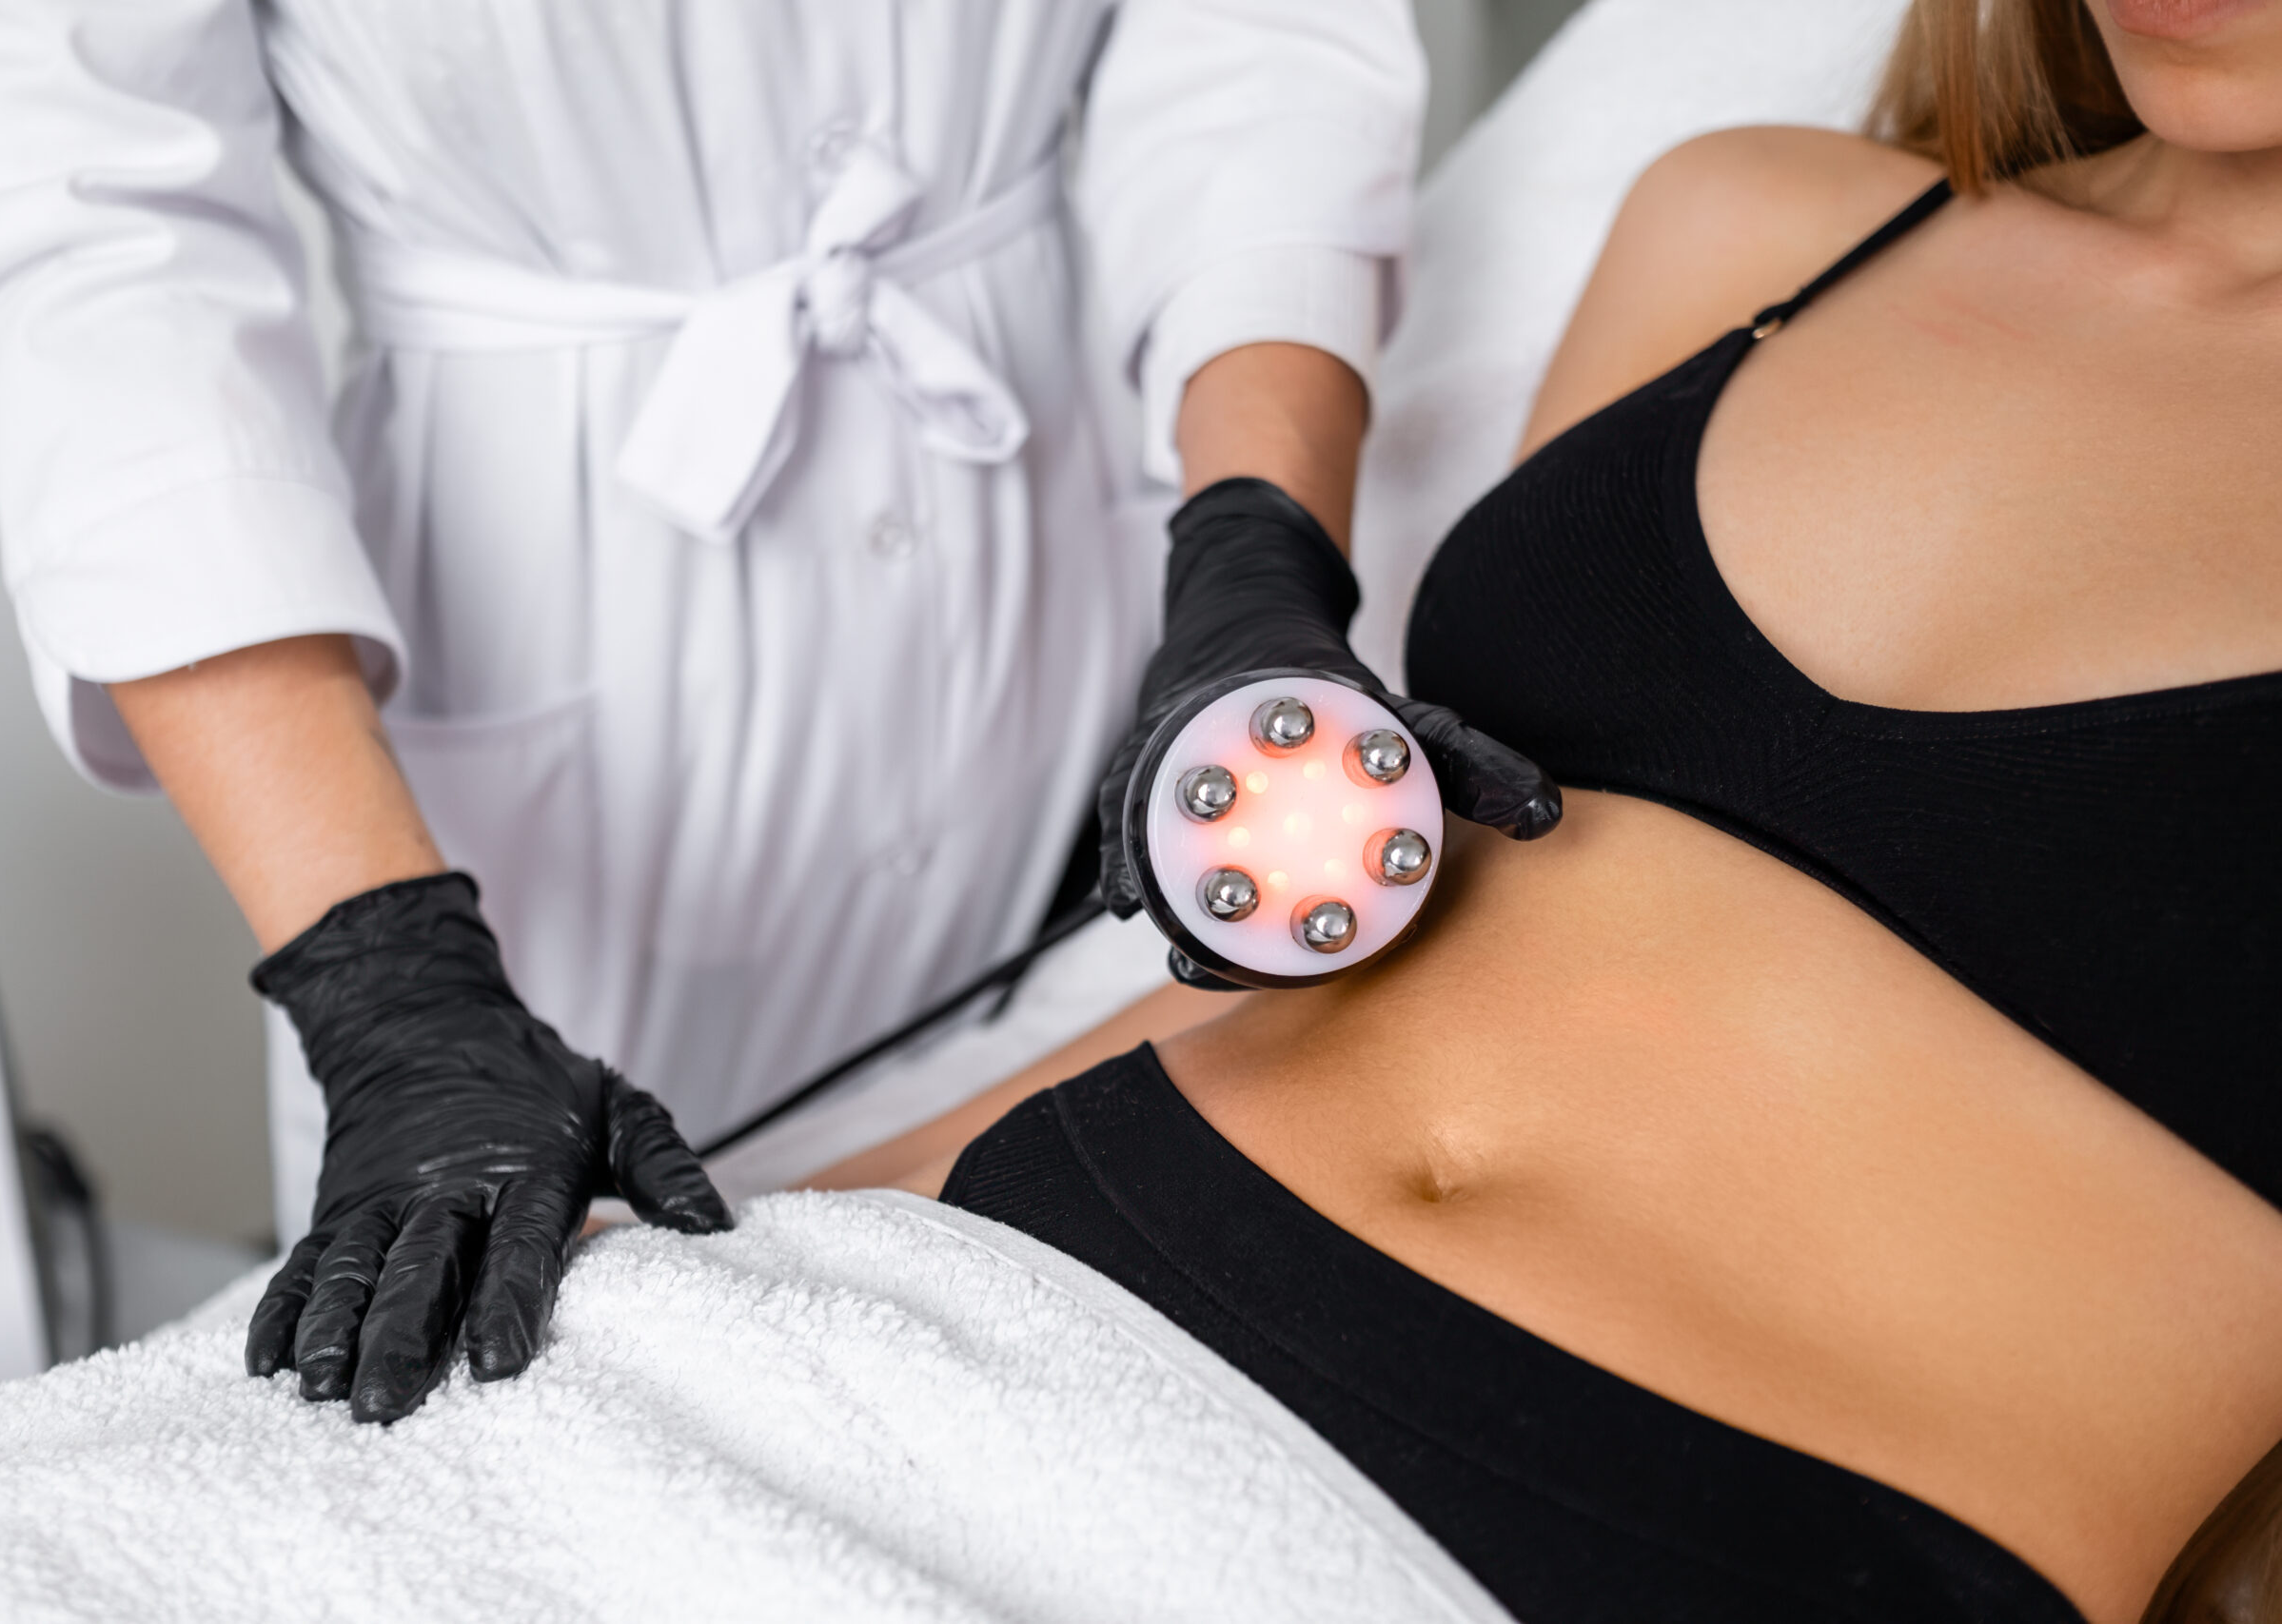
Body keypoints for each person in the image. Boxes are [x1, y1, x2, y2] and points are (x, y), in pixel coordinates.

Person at [0, 4, 1519, 1423]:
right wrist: (388, 980)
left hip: (1080, 595)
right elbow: (84, 234)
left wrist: (1253, 547)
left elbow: (1249, 41)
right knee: (537, 1390)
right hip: (511, 754)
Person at [930, 0, 2282, 1616]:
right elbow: (1386, 937)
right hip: (998, 1296)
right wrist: (742, 1215)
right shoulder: (1757, 225)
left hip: (1690, 1555)